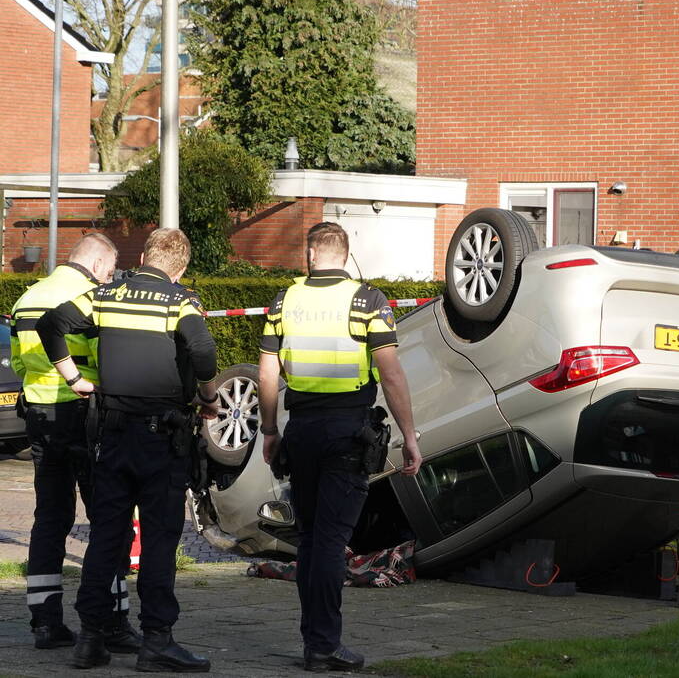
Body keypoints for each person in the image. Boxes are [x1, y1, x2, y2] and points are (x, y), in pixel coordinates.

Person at [36, 229, 219, 671]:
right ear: (181, 267)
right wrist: (209, 397)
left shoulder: (107, 294)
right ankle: (156, 640)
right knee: (159, 539)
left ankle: (90, 639)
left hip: (110, 437)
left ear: (143, 256)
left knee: (105, 536)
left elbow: (50, 324)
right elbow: (203, 349)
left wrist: (74, 379)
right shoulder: (179, 301)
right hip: (162, 439)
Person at [258, 222, 422, 672]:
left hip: (302, 430)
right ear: (346, 256)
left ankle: (314, 638)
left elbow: (267, 373)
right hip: (348, 431)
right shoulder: (368, 301)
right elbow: (391, 375)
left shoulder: (284, 300)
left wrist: (269, 429)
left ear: (310, 254)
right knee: (331, 542)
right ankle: (324, 645)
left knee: (310, 539)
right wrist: (410, 436)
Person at [9, 233, 139, 652]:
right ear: (100, 264)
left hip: (40, 419)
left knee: (50, 517)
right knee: (108, 517)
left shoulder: (26, 298)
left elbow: (17, 362)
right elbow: (110, 359)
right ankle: (112, 620)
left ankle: (45, 622)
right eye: (111, 268)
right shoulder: (92, 299)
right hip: (86, 415)